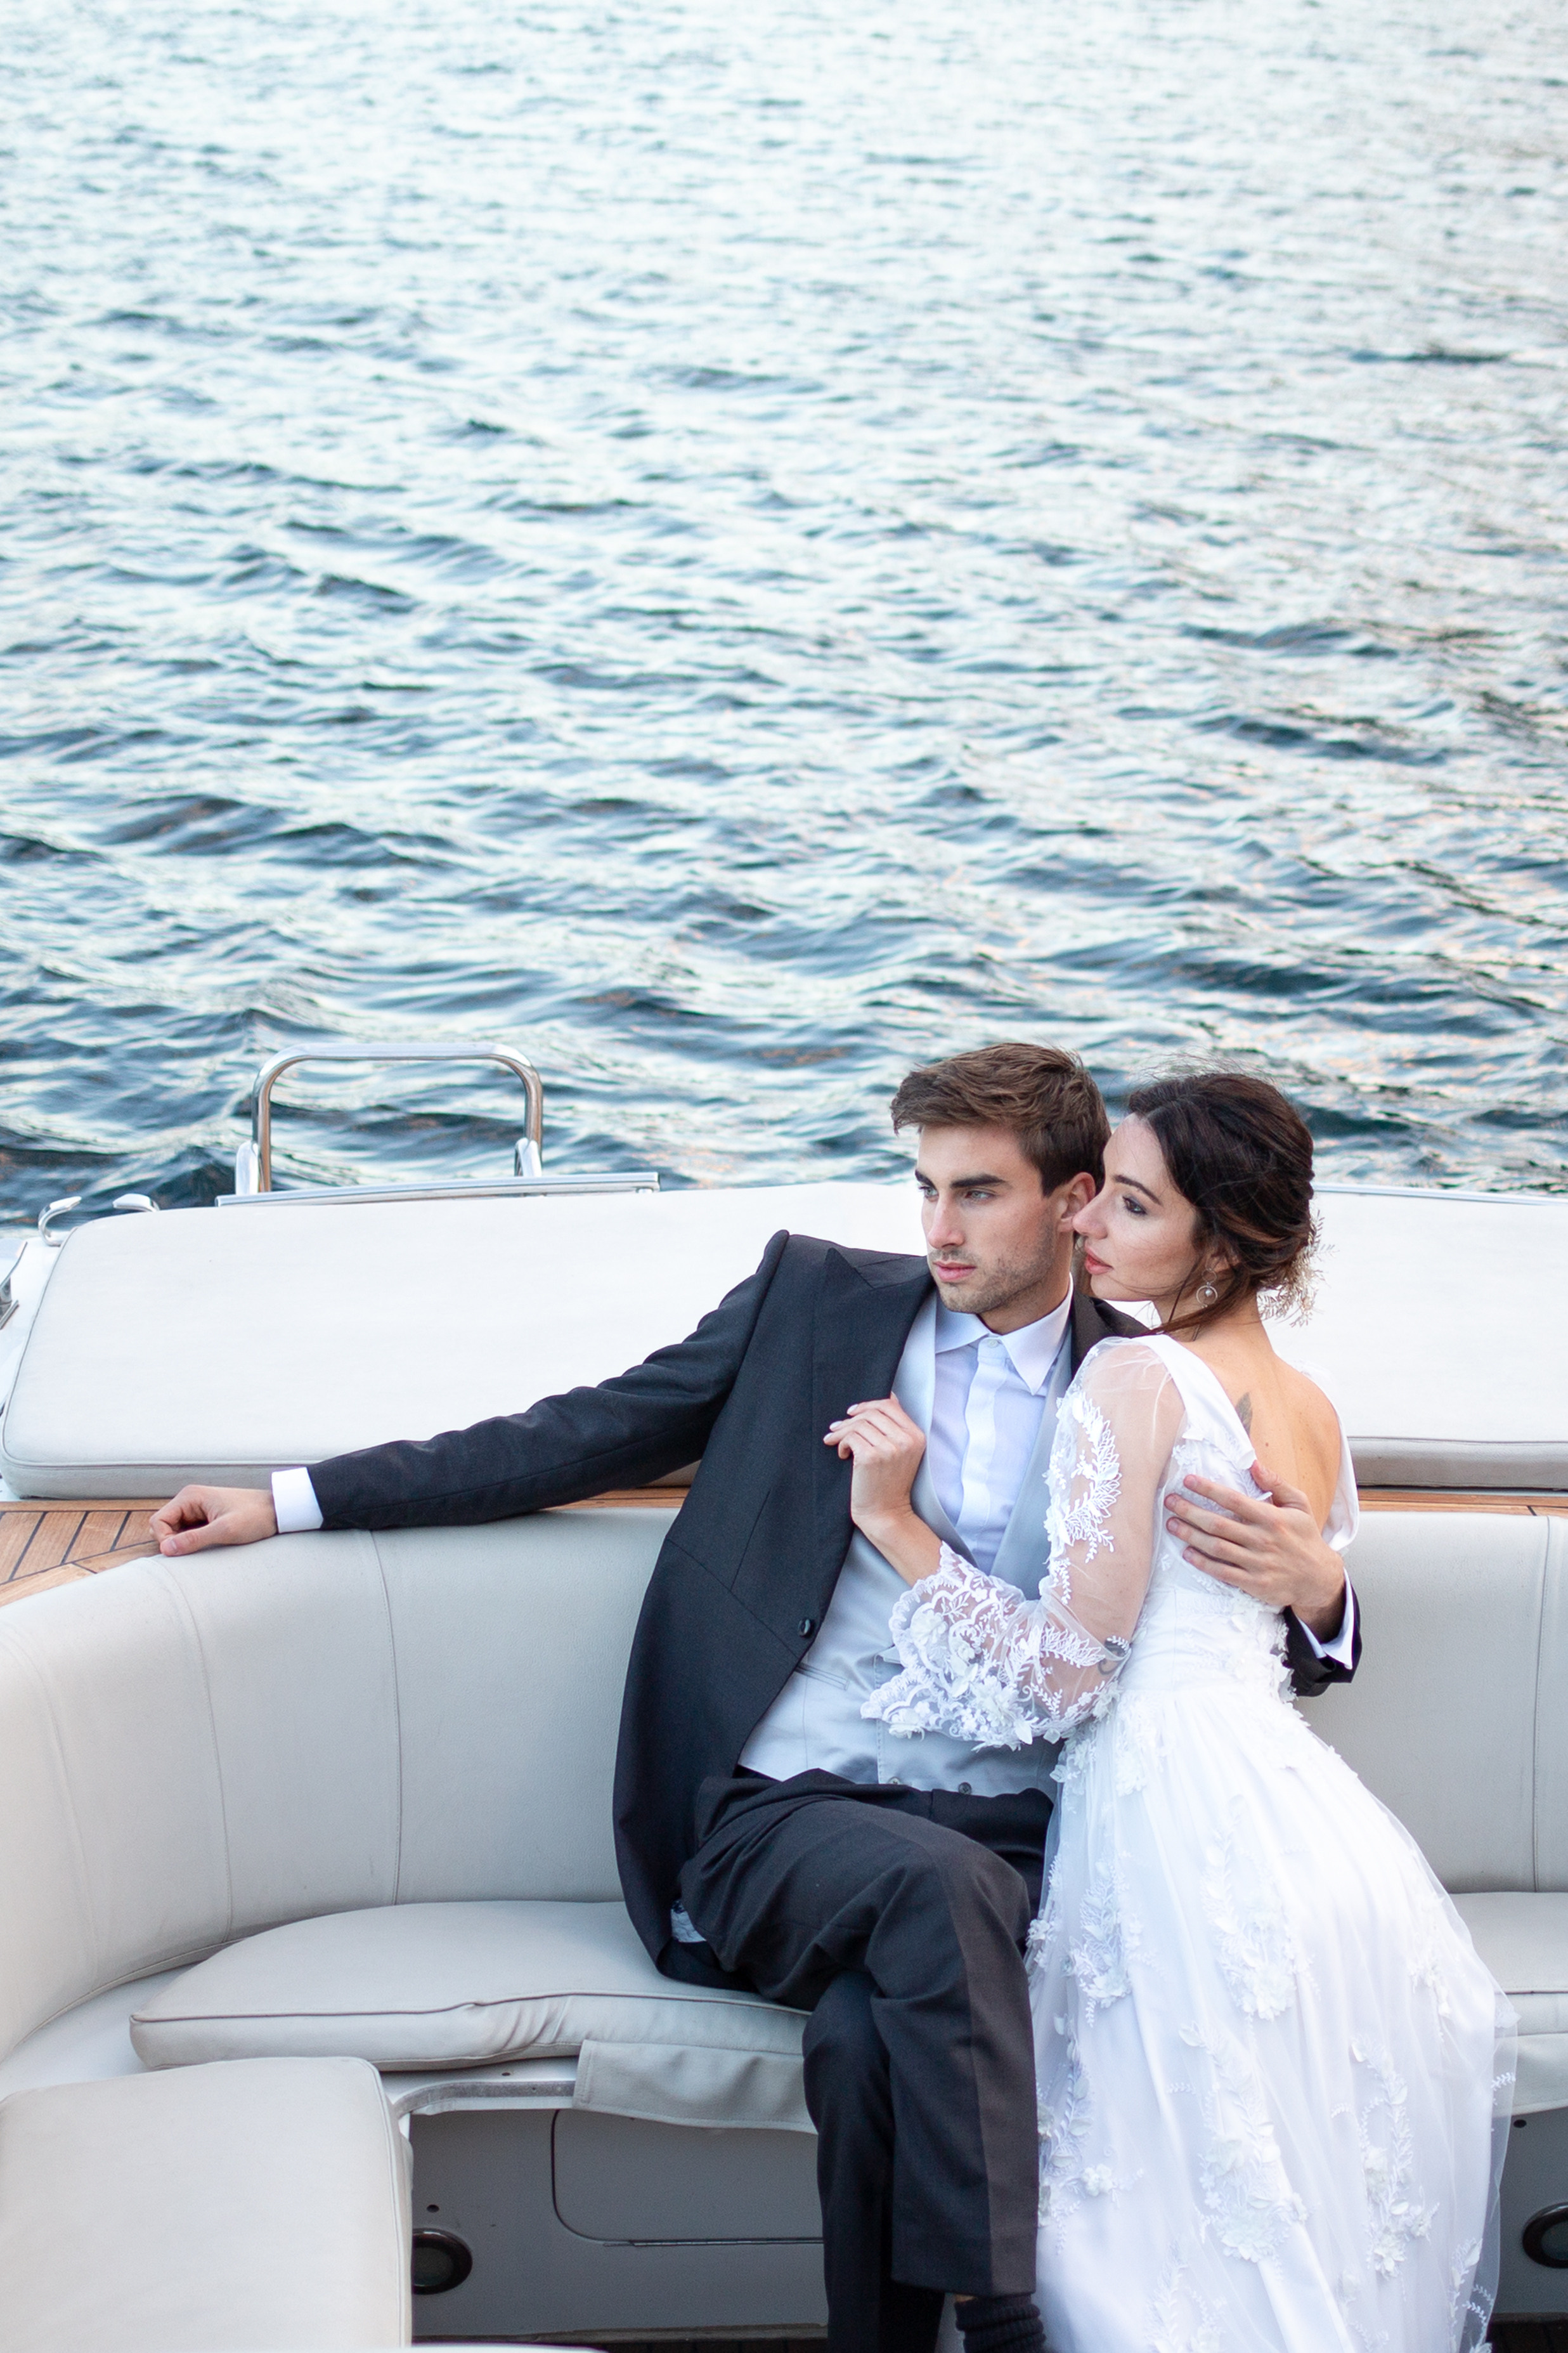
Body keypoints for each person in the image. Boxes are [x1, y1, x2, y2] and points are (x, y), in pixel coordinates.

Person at [150, 1045, 1359, 2353]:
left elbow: (1211, 1637)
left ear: (1074, 1199)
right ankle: (1005, 2319)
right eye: (922, 1189)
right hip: (779, 1811)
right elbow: (587, 1429)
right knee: (935, 1900)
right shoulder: (813, 1305)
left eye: (976, 1195)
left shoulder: (1137, 1376)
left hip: (1013, 1823)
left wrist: (1321, 1594)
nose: (936, 1230)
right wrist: (292, 1499)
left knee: (863, 2038)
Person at [837, 1072, 1511, 2353]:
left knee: (1146, 2209)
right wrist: (1321, 1583)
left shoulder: (1132, 1379)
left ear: (1217, 1240)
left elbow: (1071, 1674)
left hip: (1167, 1815)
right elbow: (1264, 1598)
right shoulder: (1308, 1401)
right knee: (1275, 2203)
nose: (1088, 1223)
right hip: (1309, 1830)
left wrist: (897, 1527)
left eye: (1130, 1206)